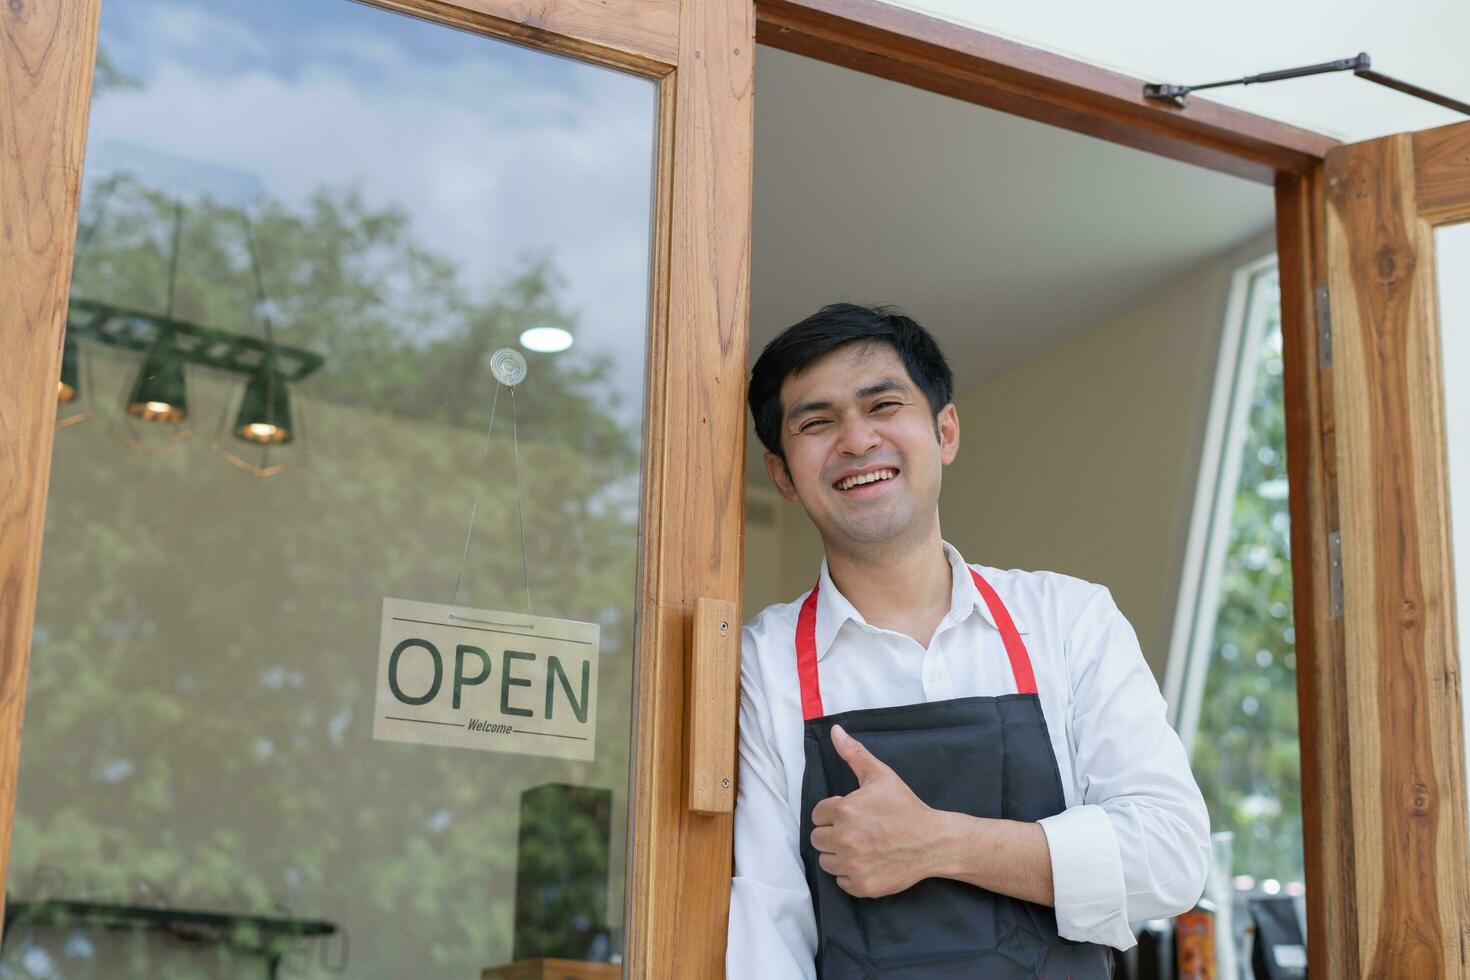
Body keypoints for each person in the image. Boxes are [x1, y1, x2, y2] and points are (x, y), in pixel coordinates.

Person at [727, 304, 1210, 978]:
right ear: (781, 473)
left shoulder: (1070, 619)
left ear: (945, 430)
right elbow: (762, 927)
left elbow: (1172, 856)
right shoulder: (760, 662)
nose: (857, 440)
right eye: (817, 422)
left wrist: (938, 843)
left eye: (882, 405)